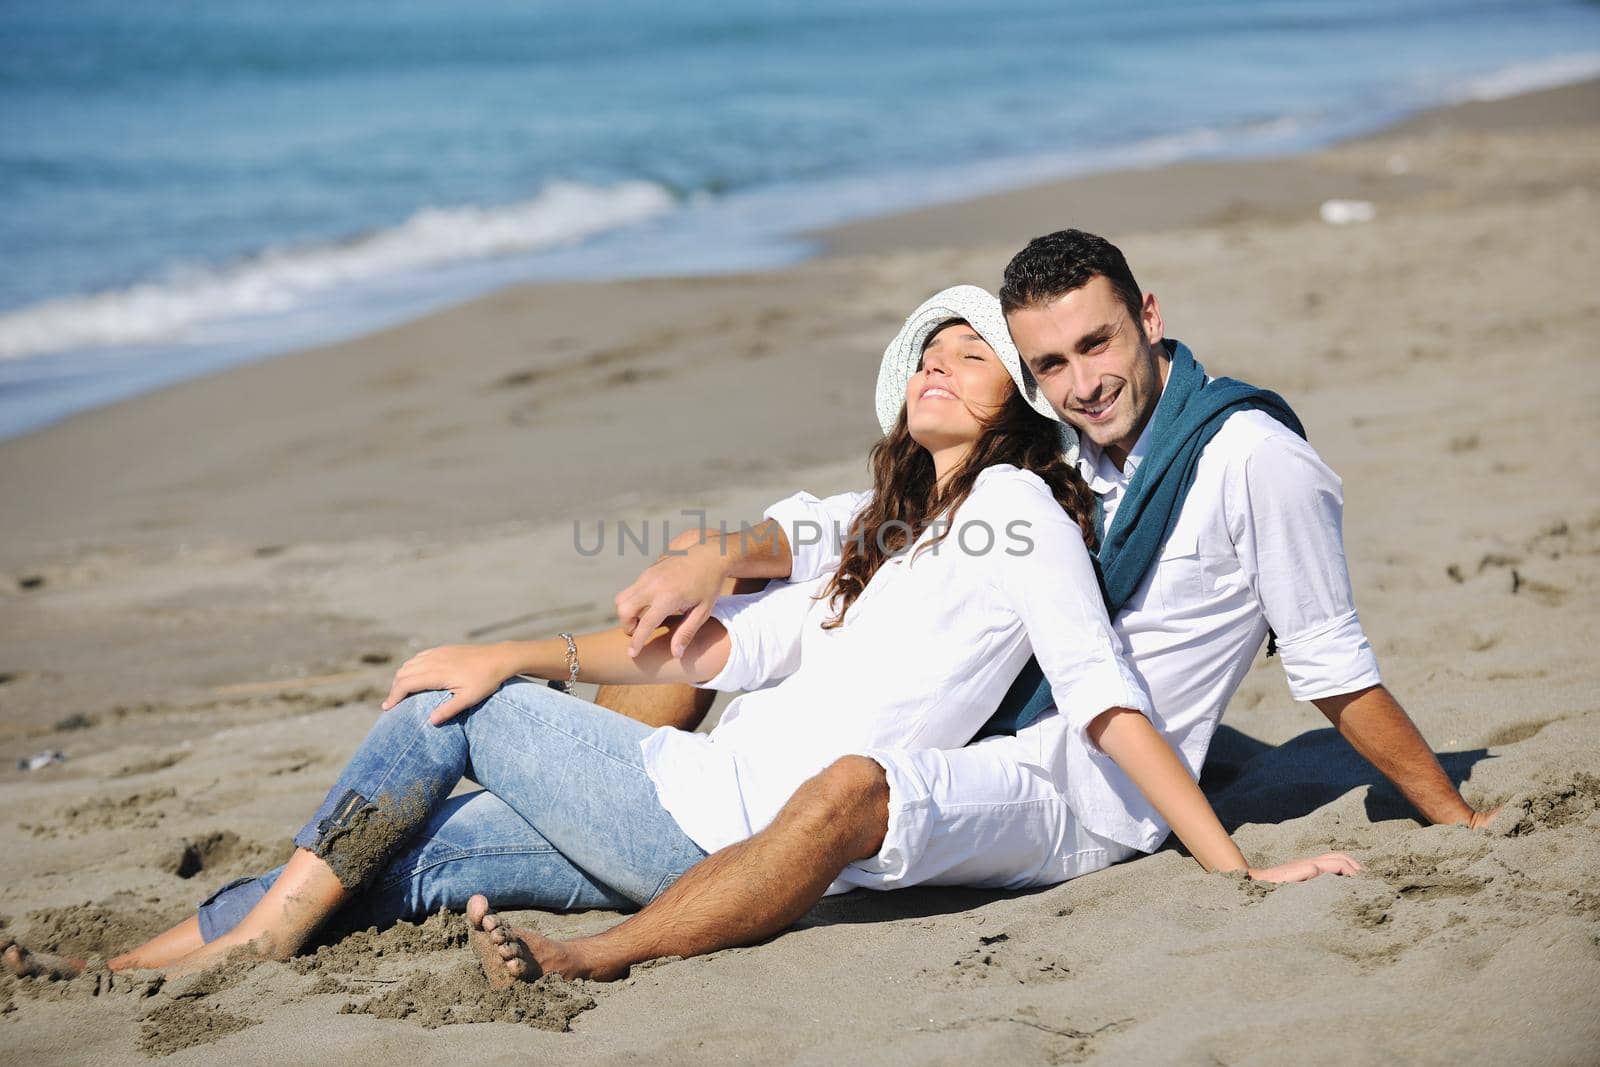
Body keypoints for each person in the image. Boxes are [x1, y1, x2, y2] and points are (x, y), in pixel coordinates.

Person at [2, 284, 1349, 984]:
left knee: (434, 716)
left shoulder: (1017, 509)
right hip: (687, 816)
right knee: (406, 854)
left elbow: (1107, 695)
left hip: (711, 820)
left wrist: (1232, 864)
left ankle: (254, 947)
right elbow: (713, 650)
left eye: (973, 354)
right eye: (928, 351)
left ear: (1012, 409)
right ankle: (128, 966)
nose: (940, 363)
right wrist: (545, 648)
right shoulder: (881, 528)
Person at [461, 229, 1500, 986]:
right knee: (708, 626)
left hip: (1083, 791)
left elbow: (1328, 666)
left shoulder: (1253, 462)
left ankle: (600, 955)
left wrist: (1452, 818)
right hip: (1011, 733)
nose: (1084, 381)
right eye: (1052, 365)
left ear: (1149, 316)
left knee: (846, 789)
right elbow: (863, 515)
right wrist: (728, 549)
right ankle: (447, 852)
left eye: (1097, 344)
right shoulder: (1078, 452)